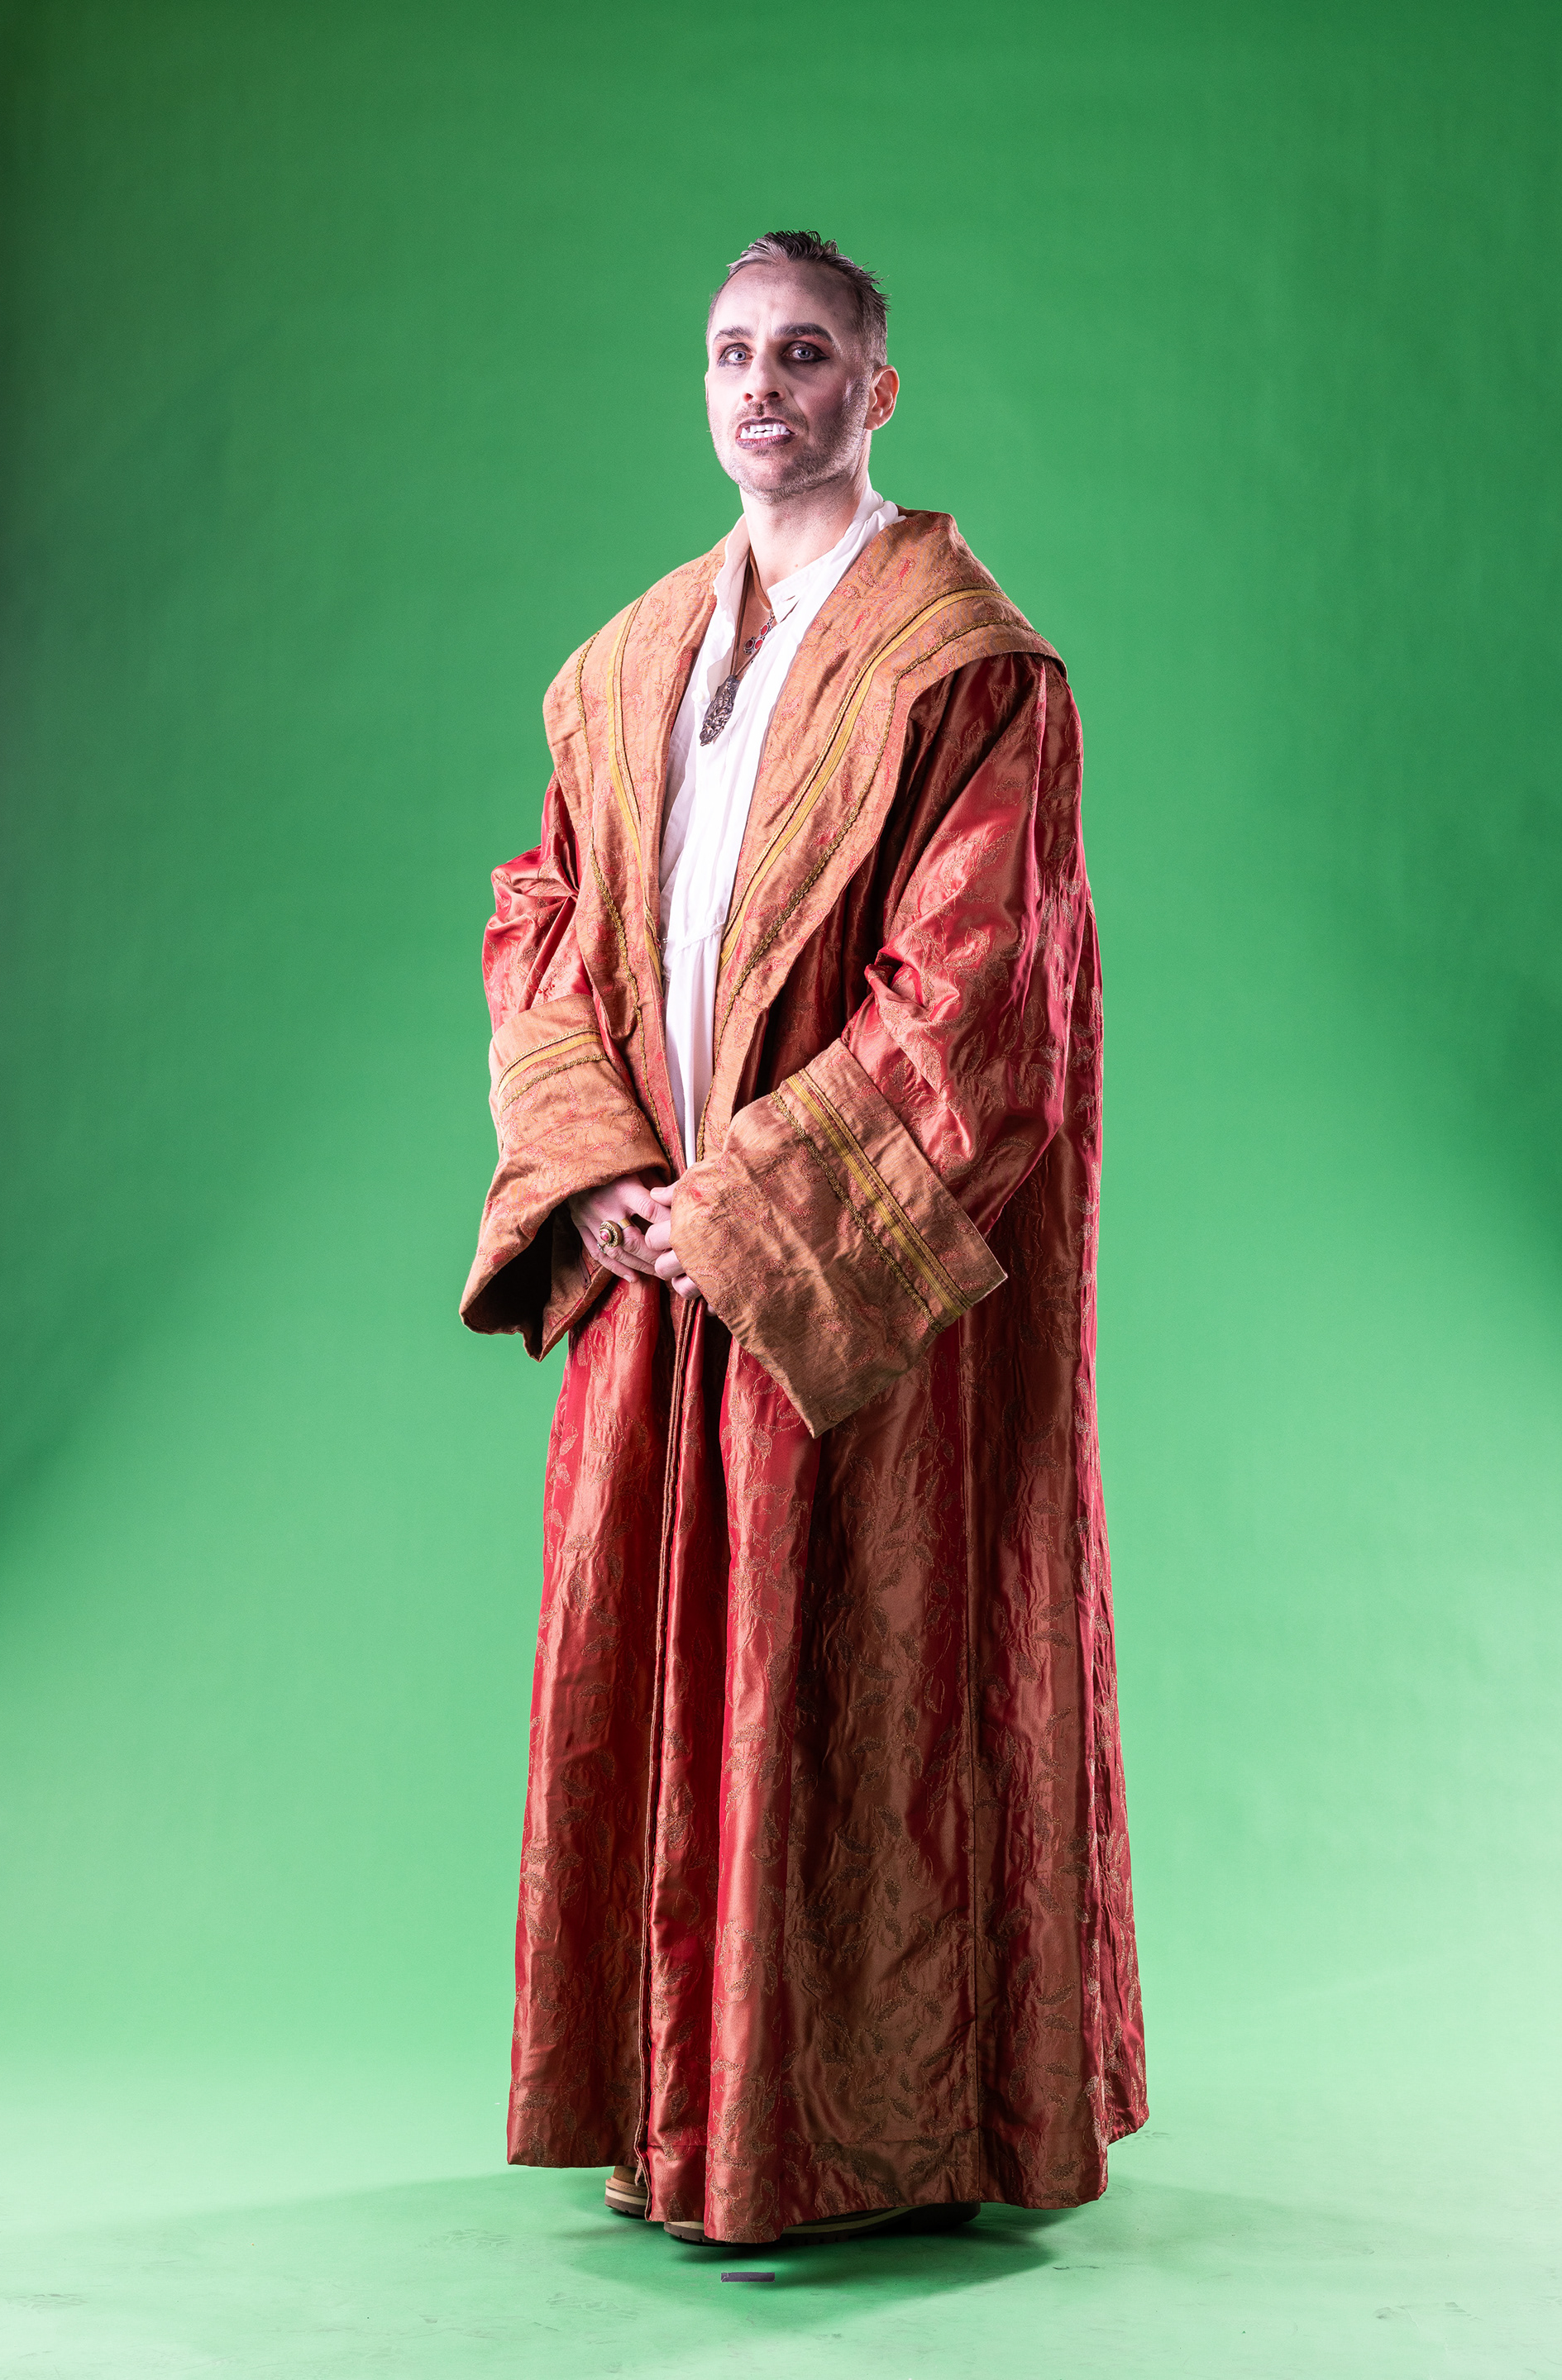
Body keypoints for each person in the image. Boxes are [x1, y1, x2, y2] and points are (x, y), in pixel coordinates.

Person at [461, 230, 1145, 2249]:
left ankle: (884, 2138)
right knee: (673, 1680)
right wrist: (596, 1171)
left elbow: (981, 993)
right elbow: (543, 913)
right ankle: (682, 2115)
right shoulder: (631, 663)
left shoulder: (970, 665)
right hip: (648, 1260)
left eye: (807, 356)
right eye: (732, 355)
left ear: (878, 390)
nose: (763, 388)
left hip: (846, 1295)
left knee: (863, 1691)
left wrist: (749, 1210)